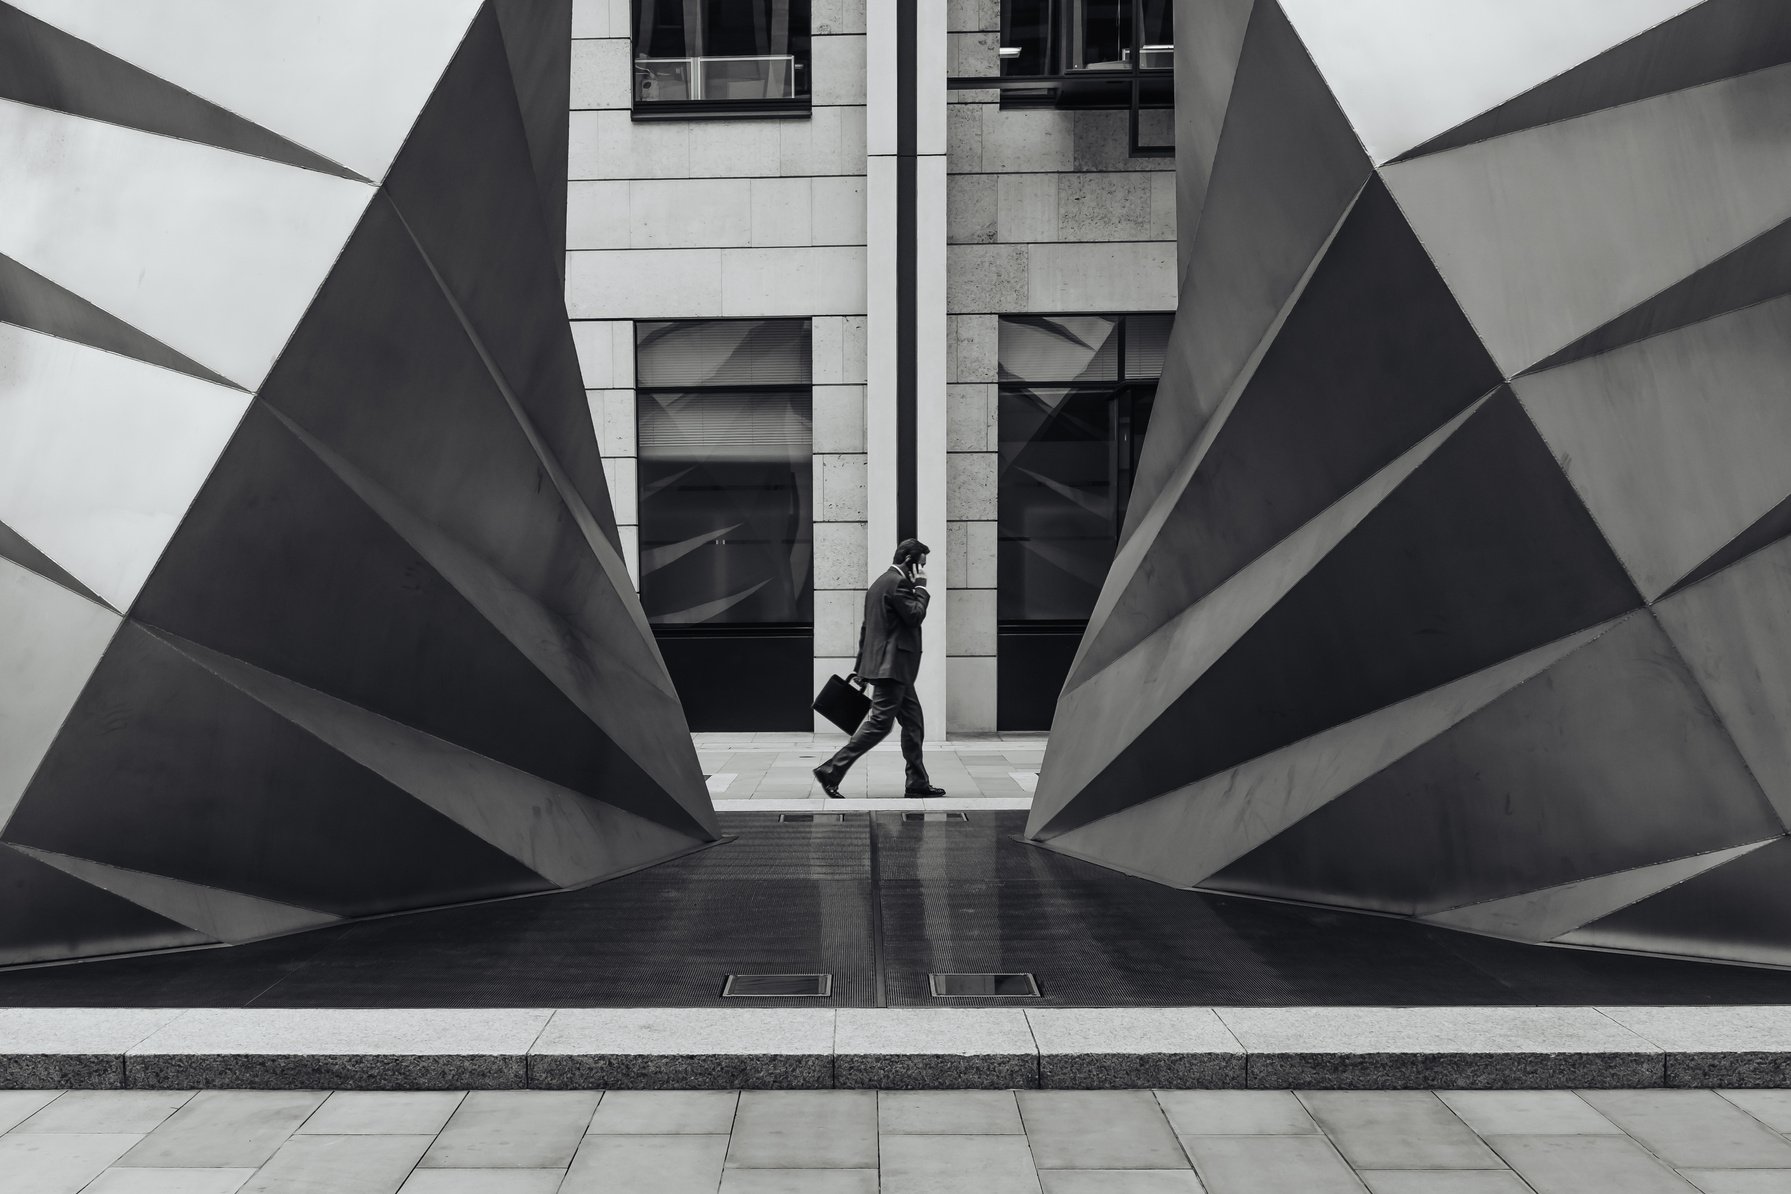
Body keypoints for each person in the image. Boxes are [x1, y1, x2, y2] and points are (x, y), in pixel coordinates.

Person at [812, 538, 946, 799]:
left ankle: (917, 782)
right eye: (921, 566)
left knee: (914, 724)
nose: (922, 571)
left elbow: (868, 630)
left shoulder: (879, 583)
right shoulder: (898, 584)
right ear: (909, 562)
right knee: (879, 725)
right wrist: (922, 588)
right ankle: (831, 770)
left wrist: (861, 668)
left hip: (893, 669)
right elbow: (915, 616)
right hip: (892, 668)